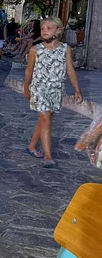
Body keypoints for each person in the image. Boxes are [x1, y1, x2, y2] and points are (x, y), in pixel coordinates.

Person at [23, 17, 83, 168]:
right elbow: (29, 70)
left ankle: (31, 146)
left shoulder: (65, 49)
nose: (45, 31)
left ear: (58, 30)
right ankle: (48, 156)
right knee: (46, 120)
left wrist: (77, 89)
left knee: (43, 120)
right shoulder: (35, 49)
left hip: (56, 89)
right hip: (39, 89)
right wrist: (26, 87)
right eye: (43, 28)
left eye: (49, 28)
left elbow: (70, 70)